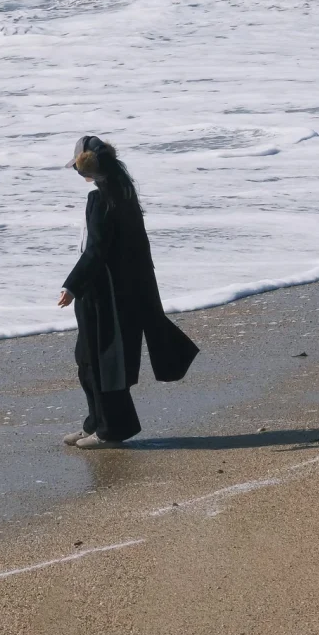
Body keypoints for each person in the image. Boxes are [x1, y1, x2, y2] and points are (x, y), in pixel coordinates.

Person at [58, 134, 199, 448]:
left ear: (86, 168)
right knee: (89, 358)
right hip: (123, 291)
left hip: (103, 292)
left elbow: (95, 251)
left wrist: (71, 286)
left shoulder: (101, 198)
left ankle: (111, 429)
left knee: (102, 361)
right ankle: (96, 422)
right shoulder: (123, 191)